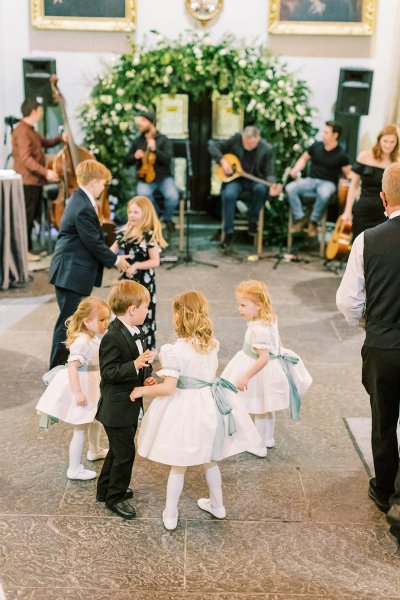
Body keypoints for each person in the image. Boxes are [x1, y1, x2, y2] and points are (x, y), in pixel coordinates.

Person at [132, 290, 261, 531]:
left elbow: (169, 388)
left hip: (184, 408)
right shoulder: (211, 344)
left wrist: (142, 391)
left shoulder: (173, 350)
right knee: (210, 459)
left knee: (178, 465)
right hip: (209, 405)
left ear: (179, 315)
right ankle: (218, 505)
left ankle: (170, 514)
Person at [336, 162, 400, 544]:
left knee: (383, 418)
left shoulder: (368, 240)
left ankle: (383, 489)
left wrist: (368, 323)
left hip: (383, 344)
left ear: (382, 198)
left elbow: (348, 302)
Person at [48, 159, 130, 369]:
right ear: (93, 182)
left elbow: (92, 240)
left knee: (72, 321)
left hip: (72, 270)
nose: (103, 188)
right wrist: (116, 260)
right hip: (71, 271)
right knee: (68, 323)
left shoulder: (80, 200)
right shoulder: (83, 206)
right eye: (103, 183)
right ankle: (57, 370)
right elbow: (92, 242)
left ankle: (68, 365)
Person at [222, 280, 312, 457]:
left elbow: (262, 359)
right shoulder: (269, 319)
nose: (239, 309)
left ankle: (258, 445)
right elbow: (276, 343)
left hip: (258, 370)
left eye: (243, 305)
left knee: (259, 408)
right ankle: (268, 438)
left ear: (258, 305)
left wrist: (246, 376)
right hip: (272, 367)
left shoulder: (257, 329)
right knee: (266, 406)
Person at [96, 280, 155, 520]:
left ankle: (104, 490)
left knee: (117, 451)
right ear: (132, 310)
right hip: (116, 408)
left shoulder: (132, 331)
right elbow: (108, 373)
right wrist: (135, 364)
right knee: (125, 454)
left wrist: (146, 376)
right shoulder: (113, 337)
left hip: (128, 405)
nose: (147, 311)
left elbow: (138, 366)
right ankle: (115, 497)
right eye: (145, 307)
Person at [36, 297, 110, 480]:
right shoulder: (82, 342)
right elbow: (72, 367)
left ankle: (95, 450)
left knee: (94, 420)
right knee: (80, 427)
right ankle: (74, 468)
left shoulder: (91, 338)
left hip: (93, 382)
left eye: (107, 318)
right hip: (84, 385)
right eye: (101, 319)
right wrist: (77, 392)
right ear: (86, 321)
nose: (106, 323)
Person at [208, 126, 281, 248]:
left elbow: (270, 173)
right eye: (245, 143)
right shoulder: (236, 140)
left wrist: (272, 185)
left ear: (258, 139)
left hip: (255, 180)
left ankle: (253, 221)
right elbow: (212, 144)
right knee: (229, 194)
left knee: (261, 189)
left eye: (250, 144)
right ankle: (229, 232)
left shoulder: (267, 149)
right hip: (236, 179)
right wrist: (222, 161)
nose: (247, 146)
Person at [110, 196, 168, 350]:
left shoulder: (148, 235)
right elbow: (110, 252)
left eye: (136, 212)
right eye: (130, 212)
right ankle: (126, 347)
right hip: (127, 282)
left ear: (146, 214)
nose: (132, 215)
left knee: (144, 317)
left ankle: (146, 348)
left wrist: (136, 265)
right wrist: (118, 261)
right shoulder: (124, 232)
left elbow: (155, 261)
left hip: (144, 283)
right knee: (124, 313)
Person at [12, 97, 65, 261]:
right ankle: (24, 251)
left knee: (31, 216)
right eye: (40, 111)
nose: (41, 114)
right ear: (33, 111)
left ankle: (29, 249)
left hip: (34, 181)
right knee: (26, 217)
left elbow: (45, 142)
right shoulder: (22, 131)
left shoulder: (30, 130)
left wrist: (60, 138)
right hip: (28, 181)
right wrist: (46, 173)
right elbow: (26, 159)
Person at [286, 120, 351, 237]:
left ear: (335, 135)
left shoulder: (341, 154)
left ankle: (313, 221)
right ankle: (301, 218)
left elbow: (349, 173)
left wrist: (349, 179)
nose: (323, 135)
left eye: (326, 133)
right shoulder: (316, 146)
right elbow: (303, 159)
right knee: (290, 188)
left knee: (325, 194)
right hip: (311, 180)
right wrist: (296, 169)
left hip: (328, 183)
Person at [341, 124, 400, 239]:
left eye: (392, 142)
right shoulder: (365, 156)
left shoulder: (397, 163)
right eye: (385, 141)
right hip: (363, 209)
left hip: (385, 213)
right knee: (358, 244)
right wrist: (347, 211)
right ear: (379, 140)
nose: (388, 145)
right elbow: (353, 185)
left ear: (397, 143)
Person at [126, 109, 179, 232]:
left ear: (151, 123)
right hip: (145, 179)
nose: (140, 123)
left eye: (143, 120)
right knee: (143, 196)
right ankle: (156, 217)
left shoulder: (164, 140)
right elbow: (126, 161)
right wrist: (134, 156)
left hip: (164, 178)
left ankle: (166, 218)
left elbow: (167, 160)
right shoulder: (138, 141)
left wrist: (155, 150)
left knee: (173, 196)